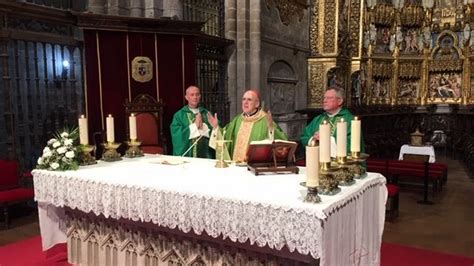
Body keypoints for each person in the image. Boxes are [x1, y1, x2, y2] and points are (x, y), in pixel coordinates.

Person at [208, 89, 288, 162]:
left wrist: (271, 129)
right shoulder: (238, 120)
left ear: (257, 104)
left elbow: (282, 143)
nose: (245, 102)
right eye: (244, 99)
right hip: (236, 166)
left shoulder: (265, 120)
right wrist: (216, 127)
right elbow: (225, 136)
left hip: (254, 167)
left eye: (249, 100)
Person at [300, 87, 364, 157]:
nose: (324, 100)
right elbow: (304, 137)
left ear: (340, 101)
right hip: (318, 160)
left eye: (329, 98)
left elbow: (353, 144)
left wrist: (327, 139)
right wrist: (314, 139)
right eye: (324, 98)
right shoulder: (318, 119)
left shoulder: (349, 120)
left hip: (341, 163)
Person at [170, 85, 214, 158]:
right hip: (188, 156)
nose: (195, 97)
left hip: (205, 154)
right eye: (192, 95)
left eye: (197, 94)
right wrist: (195, 126)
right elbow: (177, 135)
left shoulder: (206, 113)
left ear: (200, 96)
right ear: (186, 97)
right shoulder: (179, 115)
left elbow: (215, 131)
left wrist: (204, 127)